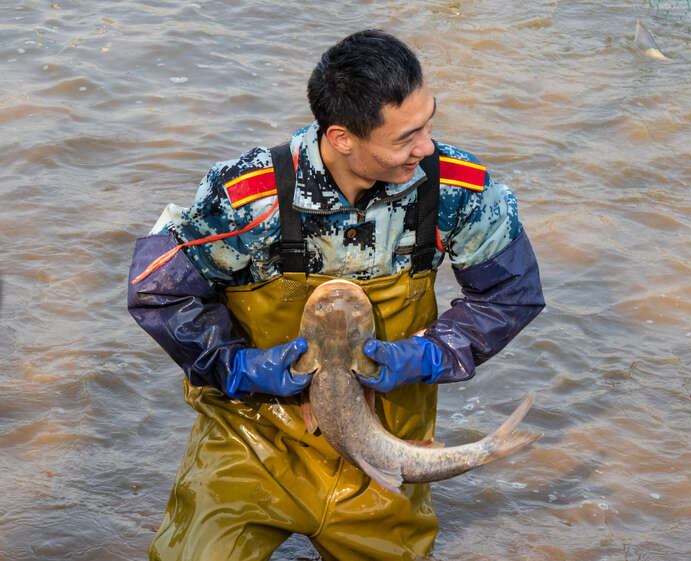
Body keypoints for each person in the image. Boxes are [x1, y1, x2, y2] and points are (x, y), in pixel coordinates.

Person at [127, 29, 544, 561]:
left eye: (429, 122)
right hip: (255, 438)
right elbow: (160, 291)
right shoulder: (247, 198)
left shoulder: (455, 190)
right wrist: (237, 367)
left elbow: (512, 295)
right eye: (405, 138)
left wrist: (429, 354)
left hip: (387, 446)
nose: (427, 147)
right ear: (343, 137)